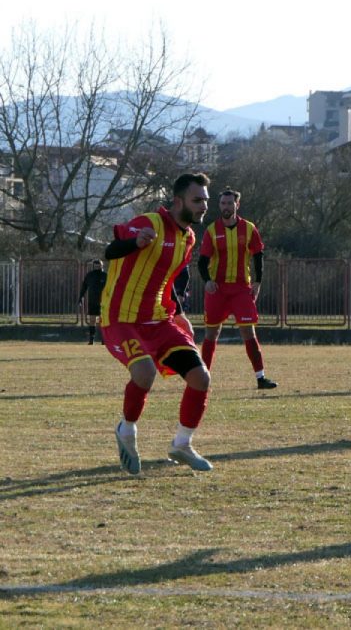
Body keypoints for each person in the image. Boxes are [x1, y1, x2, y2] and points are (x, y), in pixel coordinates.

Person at [100, 172, 214, 475]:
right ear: (178, 201)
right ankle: (127, 431)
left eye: (205, 200)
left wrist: (177, 312)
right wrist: (135, 243)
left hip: (158, 320)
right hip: (121, 319)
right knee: (144, 372)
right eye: (197, 200)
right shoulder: (149, 222)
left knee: (200, 378)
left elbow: (168, 277)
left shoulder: (188, 237)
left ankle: (181, 444)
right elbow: (110, 251)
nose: (203, 206)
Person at [198, 187, 277, 389]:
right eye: (223, 203)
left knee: (248, 333)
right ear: (219, 205)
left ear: (237, 205)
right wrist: (207, 280)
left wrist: (258, 282)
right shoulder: (212, 230)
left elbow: (258, 256)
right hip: (218, 289)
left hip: (242, 288)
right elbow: (202, 260)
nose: (226, 207)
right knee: (211, 334)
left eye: (230, 203)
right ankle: (202, 379)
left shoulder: (249, 228)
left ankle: (260, 378)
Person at [78, 259, 107, 345]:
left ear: (102, 266)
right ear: (93, 266)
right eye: (95, 266)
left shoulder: (105, 275)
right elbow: (84, 287)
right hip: (92, 300)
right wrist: (81, 298)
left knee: (102, 320)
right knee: (92, 319)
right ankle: (91, 339)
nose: (97, 267)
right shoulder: (90, 275)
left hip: (103, 301)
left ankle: (104, 339)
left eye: (99, 265)